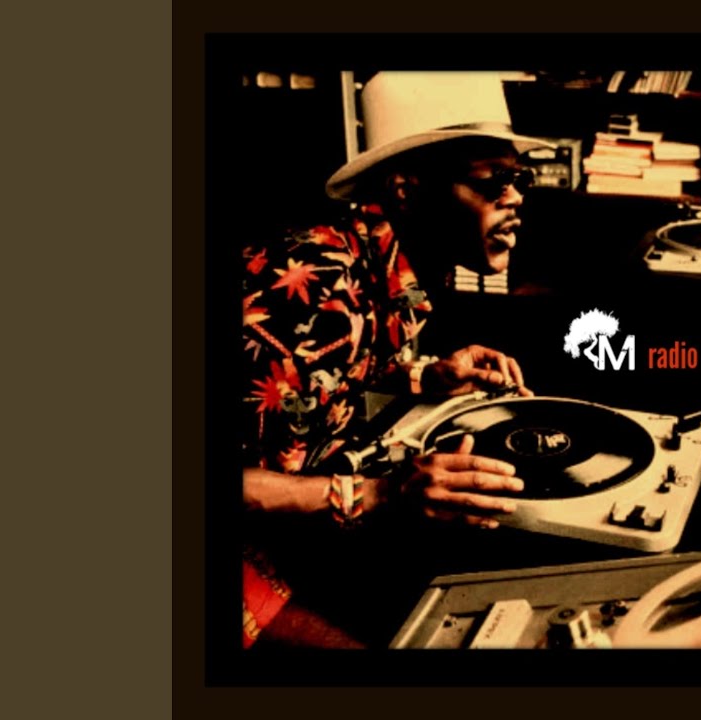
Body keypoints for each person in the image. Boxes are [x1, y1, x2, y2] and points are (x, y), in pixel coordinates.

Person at [239, 72, 552, 649]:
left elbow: (325, 374)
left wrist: (428, 374)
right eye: (493, 182)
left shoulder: (387, 261)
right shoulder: (314, 288)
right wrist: (379, 495)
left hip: (293, 531)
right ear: (406, 189)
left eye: (520, 179)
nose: (515, 199)